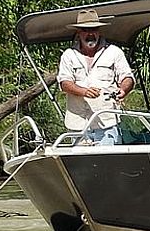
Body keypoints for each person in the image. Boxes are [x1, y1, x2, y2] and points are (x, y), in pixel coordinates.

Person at [56, 10, 134, 146]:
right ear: (79, 32)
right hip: (78, 126)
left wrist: (123, 90)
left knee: (110, 163)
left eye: (94, 29)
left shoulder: (114, 52)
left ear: (99, 31)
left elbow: (128, 77)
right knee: (81, 166)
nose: (90, 34)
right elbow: (64, 83)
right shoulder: (68, 55)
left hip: (107, 123)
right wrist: (84, 91)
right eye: (85, 30)